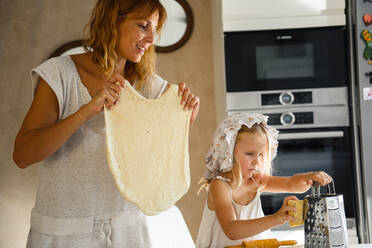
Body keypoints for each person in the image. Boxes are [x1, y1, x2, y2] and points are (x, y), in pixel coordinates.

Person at [13, 0, 199, 247]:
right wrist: (87, 110)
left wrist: (181, 121)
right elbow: (23, 155)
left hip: (130, 231)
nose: (151, 38)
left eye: (155, 29)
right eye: (143, 26)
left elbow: (155, 166)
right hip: (63, 234)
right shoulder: (60, 75)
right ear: (113, 21)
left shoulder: (151, 87)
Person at [195, 113, 332, 248]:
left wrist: (308, 178)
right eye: (250, 154)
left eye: (261, 154)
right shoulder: (220, 186)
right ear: (228, 153)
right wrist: (275, 218)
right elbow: (232, 230)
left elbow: (291, 184)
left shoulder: (257, 180)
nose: (257, 161)